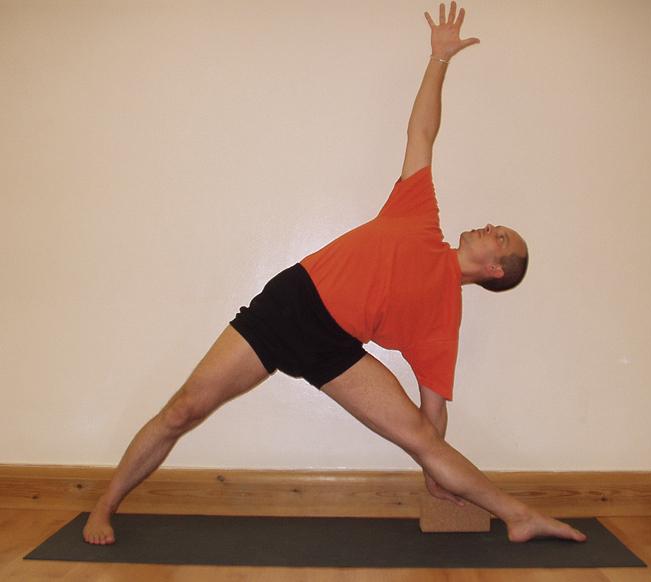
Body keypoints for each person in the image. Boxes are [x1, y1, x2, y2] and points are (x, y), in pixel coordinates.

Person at [83, 2, 587, 545]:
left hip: (334, 347)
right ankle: (103, 508)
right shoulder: (419, 216)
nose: (491, 227)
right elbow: (422, 132)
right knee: (184, 409)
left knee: (420, 437)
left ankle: (518, 515)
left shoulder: (445, 314)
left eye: (501, 237)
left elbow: (432, 416)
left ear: (493, 269)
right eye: (499, 227)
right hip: (291, 304)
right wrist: (438, 59)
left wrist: (431, 472)